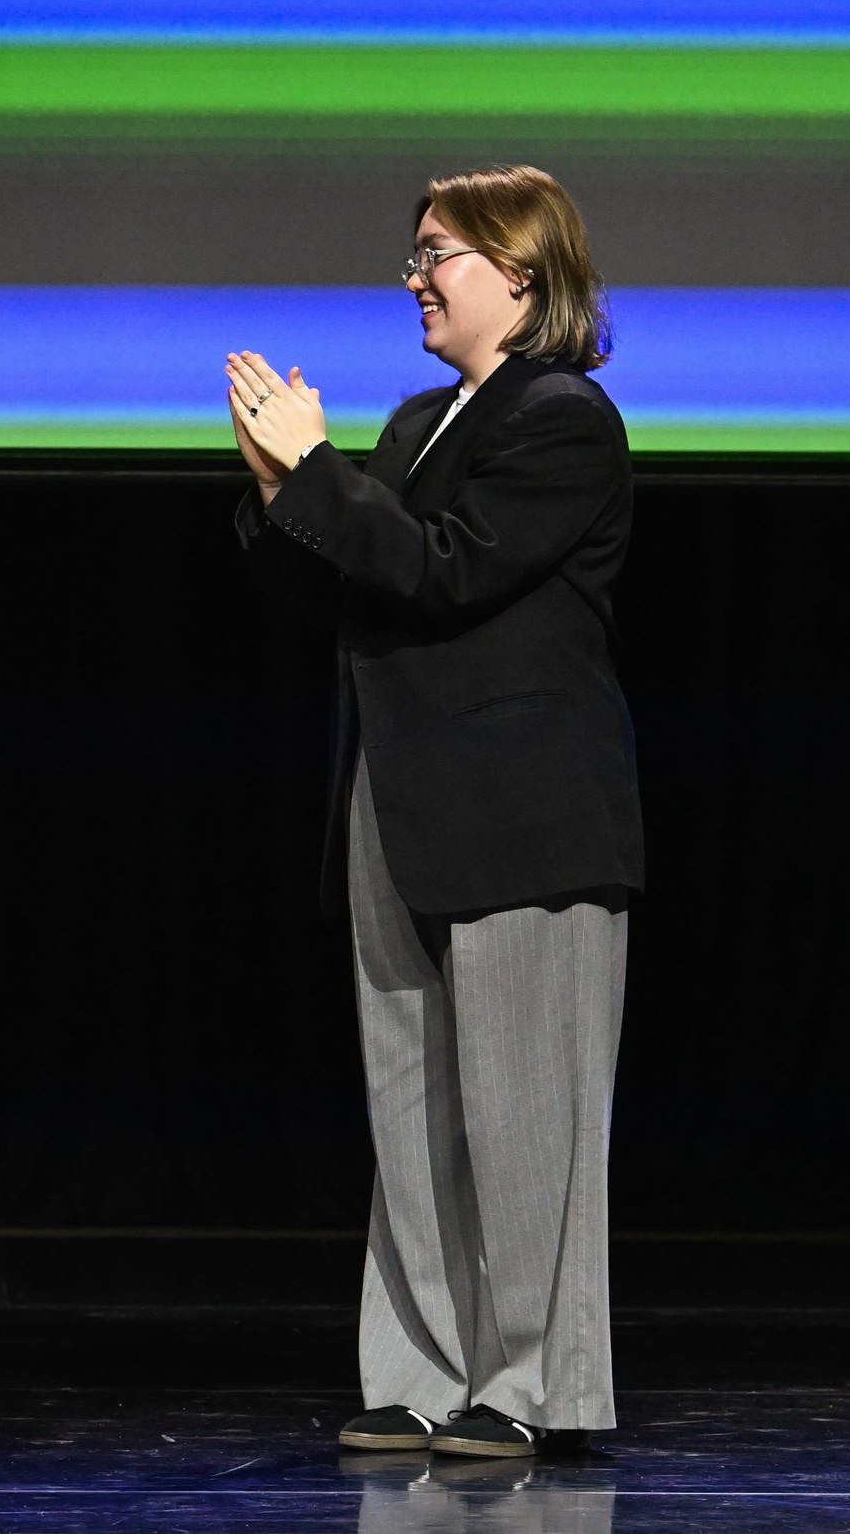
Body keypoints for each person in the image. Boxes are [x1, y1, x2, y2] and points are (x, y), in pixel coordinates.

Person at [226, 165, 643, 1459]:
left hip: (526, 812)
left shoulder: (563, 418)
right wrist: (276, 490)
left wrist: (317, 476)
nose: (417, 277)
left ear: (521, 275)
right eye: (413, 255)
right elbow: (344, 592)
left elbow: (444, 570)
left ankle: (528, 1381)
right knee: (409, 1109)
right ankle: (418, 1368)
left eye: (439, 254)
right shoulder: (416, 425)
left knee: (527, 1116)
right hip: (396, 799)